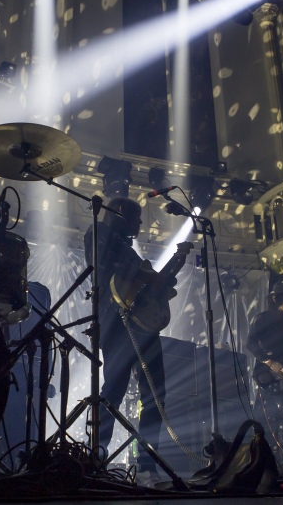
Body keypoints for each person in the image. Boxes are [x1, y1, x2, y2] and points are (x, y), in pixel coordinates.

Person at [84, 197, 176, 485]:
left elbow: (149, 285)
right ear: (121, 214)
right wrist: (148, 275)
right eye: (136, 218)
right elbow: (107, 271)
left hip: (145, 329)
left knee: (155, 397)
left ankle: (147, 465)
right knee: (112, 393)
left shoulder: (128, 249)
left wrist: (168, 273)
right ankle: (96, 458)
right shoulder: (99, 233)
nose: (140, 224)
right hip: (118, 326)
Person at [246, 278, 283, 468]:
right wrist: (270, 362)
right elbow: (251, 344)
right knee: (265, 420)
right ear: (276, 298)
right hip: (268, 375)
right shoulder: (263, 319)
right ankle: (263, 464)